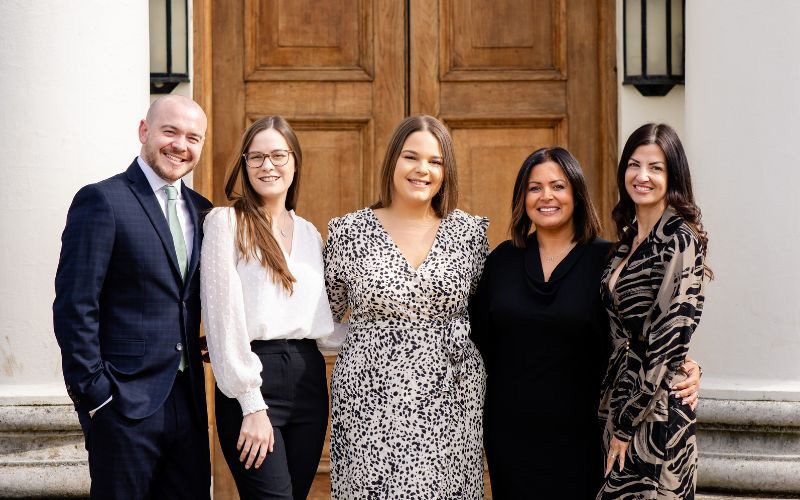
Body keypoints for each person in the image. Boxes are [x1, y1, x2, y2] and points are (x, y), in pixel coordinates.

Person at [470, 147, 702, 499]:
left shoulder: (609, 262)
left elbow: (645, 331)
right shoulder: (501, 261)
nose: (546, 196)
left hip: (587, 433)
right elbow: (474, 341)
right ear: (522, 197)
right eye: (535, 188)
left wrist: (686, 366)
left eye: (558, 186)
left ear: (577, 194)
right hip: (511, 432)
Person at [53, 95, 212, 499]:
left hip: (189, 405)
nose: (181, 145)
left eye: (193, 137)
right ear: (145, 131)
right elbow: (75, 305)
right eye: (170, 131)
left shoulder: (203, 211)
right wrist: (96, 396)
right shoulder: (103, 200)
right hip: (122, 405)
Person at [323, 115, 489, 498]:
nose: (422, 170)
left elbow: (484, 313)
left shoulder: (469, 233)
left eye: (435, 161)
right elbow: (323, 319)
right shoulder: (349, 232)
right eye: (411, 157)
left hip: (451, 397)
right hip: (371, 400)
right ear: (392, 161)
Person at [201, 116, 333, 500]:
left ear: (295, 162)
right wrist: (251, 404)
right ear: (244, 165)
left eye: (278, 155)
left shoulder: (309, 232)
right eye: (256, 157)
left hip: (309, 381)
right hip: (254, 380)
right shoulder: (226, 224)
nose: (267, 165)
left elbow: (322, 327)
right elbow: (223, 319)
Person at [598, 123, 710, 499]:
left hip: (654, 413)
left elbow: (668, 339)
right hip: (620, 402)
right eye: (634, 164)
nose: (641, 176)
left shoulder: (679, 240)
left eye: (655, 167)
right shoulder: (627, 243)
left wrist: (627, 426)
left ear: (672, 176)